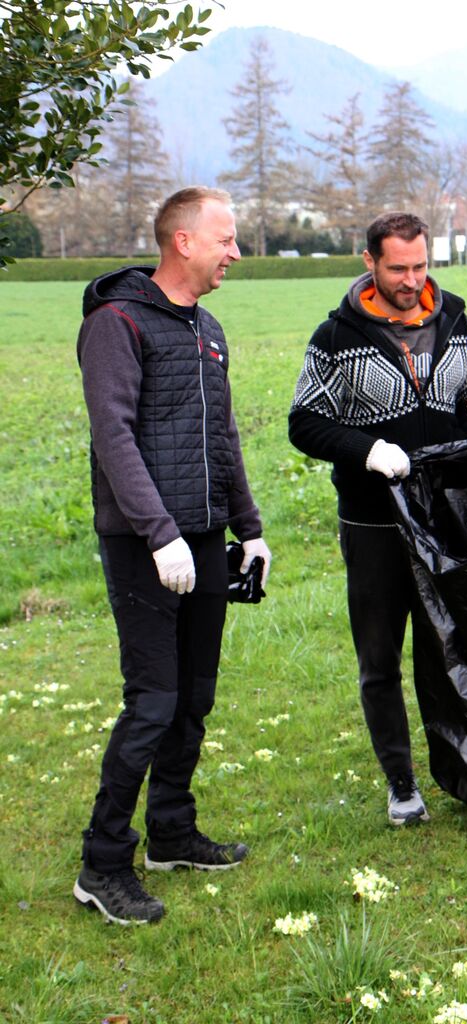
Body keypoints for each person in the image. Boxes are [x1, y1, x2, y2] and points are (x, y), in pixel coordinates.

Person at [73, 186, 271, 924]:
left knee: (194, 696)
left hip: (206, 539)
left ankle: (172, 832)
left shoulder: (207, 328)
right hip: (143, 545)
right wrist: (159, 534)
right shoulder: (116, 323)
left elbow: (224, 437)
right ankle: (102, 864)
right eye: (226, 239)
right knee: (152, 702)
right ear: (183, 242)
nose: (236, 253)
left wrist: (248, 527)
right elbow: (114, 437)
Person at [289, 212, 467, 825]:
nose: (412, 281)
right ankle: (401, 782)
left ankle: (465, 769)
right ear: (370, 262)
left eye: (420, 266)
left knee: (450, 651)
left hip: (444, 521)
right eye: (398, 268)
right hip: (373, 525)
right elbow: (304, 422)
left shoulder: (457, 323)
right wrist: (366, 450)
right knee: (379, 659)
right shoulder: (335, 338)